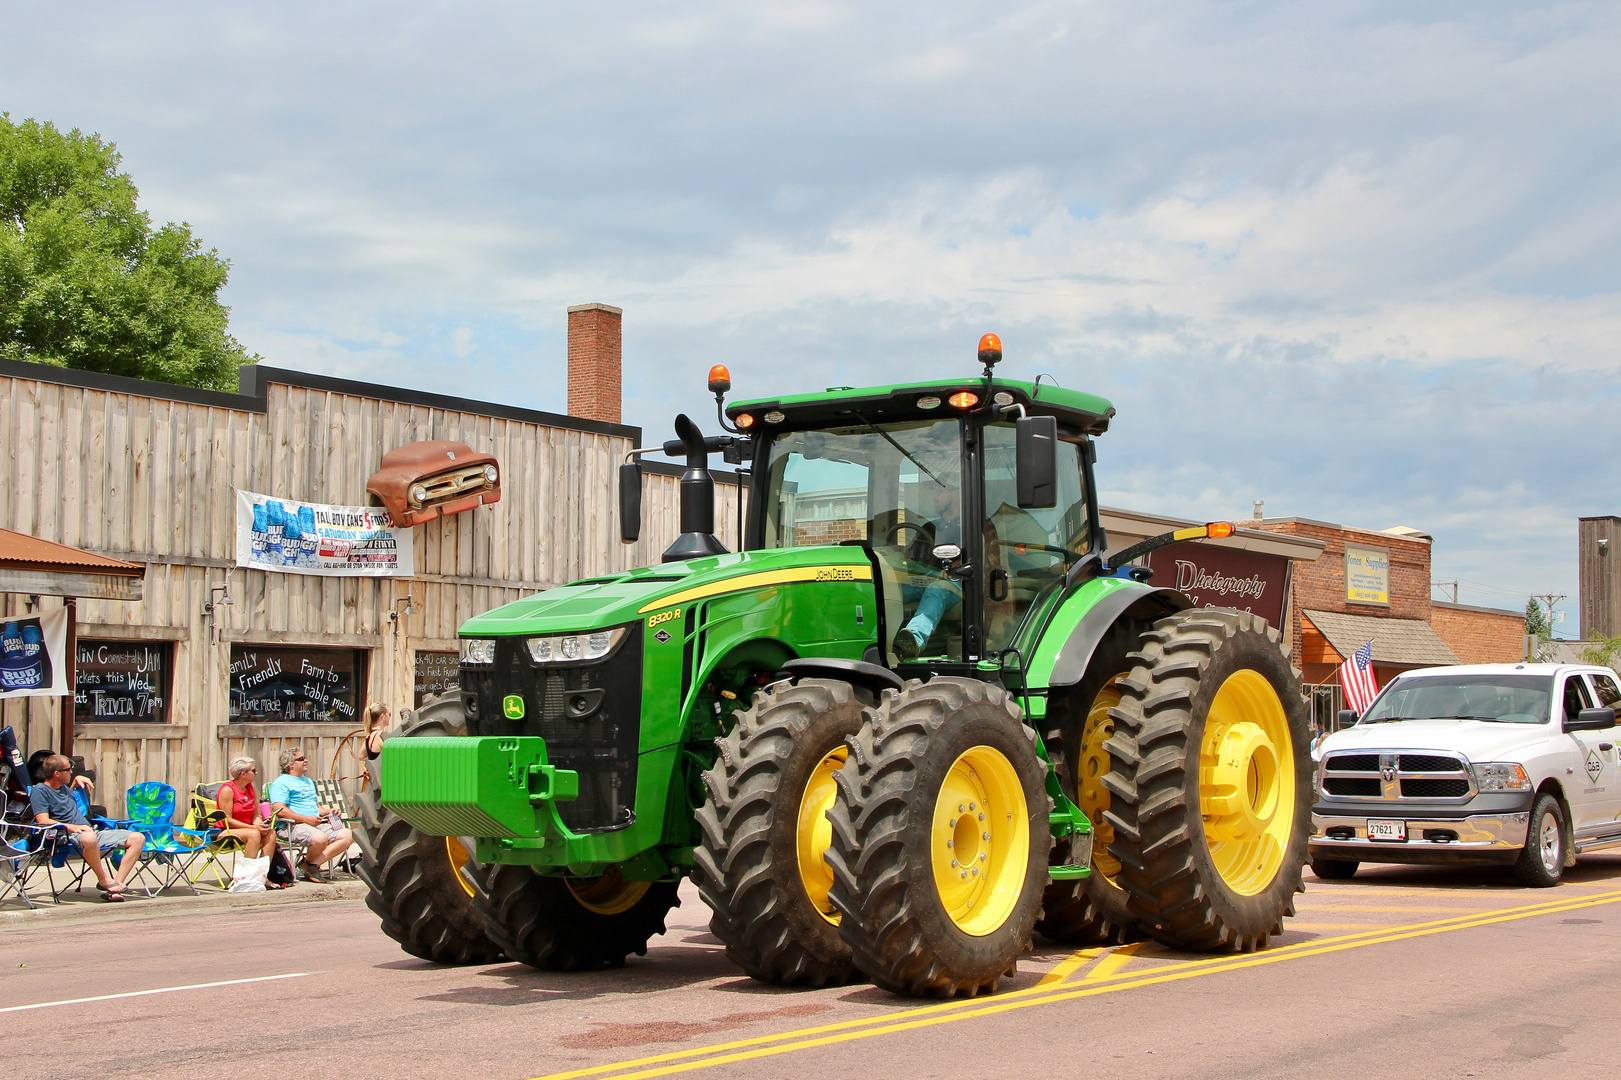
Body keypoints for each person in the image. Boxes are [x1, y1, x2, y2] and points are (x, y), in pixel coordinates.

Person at [29, 753, 144, 901]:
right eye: (68, 769)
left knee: (137, 838)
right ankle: (103, 879)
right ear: (56, 773)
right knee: (89, 837)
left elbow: (66, 799)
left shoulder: (64, 788)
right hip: (65, 835)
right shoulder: (40, 791)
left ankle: (115, 886)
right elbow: (42, 820)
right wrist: (71, 827)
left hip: (89, 830)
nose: (71, 771)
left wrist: (75, 782)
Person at [892, 481, 964, 659]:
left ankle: (914, 639)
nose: (933, 496)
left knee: (937, 589)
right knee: (889, 590)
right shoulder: (929, 528)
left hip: (958, 582)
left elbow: (982, 561)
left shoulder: (971, 527)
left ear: (956, 493)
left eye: (939, 491)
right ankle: (872, 639)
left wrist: (955, 569)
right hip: (923, 578)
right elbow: (912, 558)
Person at [266, 748, 351, 883]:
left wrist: (328, 811)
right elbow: (279, 810)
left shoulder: (308, 781)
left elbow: (316, 807)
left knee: (347, 834)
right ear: (290, 765)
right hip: (292, 825)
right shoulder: (281, 783)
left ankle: (310, 864)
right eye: (301, 759)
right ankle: (310, 866)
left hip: (314, 824)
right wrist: (306, 819)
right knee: (319, 838)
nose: (305, 760)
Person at [215, 757, 277, 862]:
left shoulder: (250, 788)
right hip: (224, 831)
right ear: (243, 774)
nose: (256, 773)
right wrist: (253, 828)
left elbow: (255, 816)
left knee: (270, 833)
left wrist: (260, 825)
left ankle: (262, 874)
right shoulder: (228, 790)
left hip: (248, 829)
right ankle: (247, 875)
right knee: (254, 834)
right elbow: (227, 820)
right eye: (253, 770)